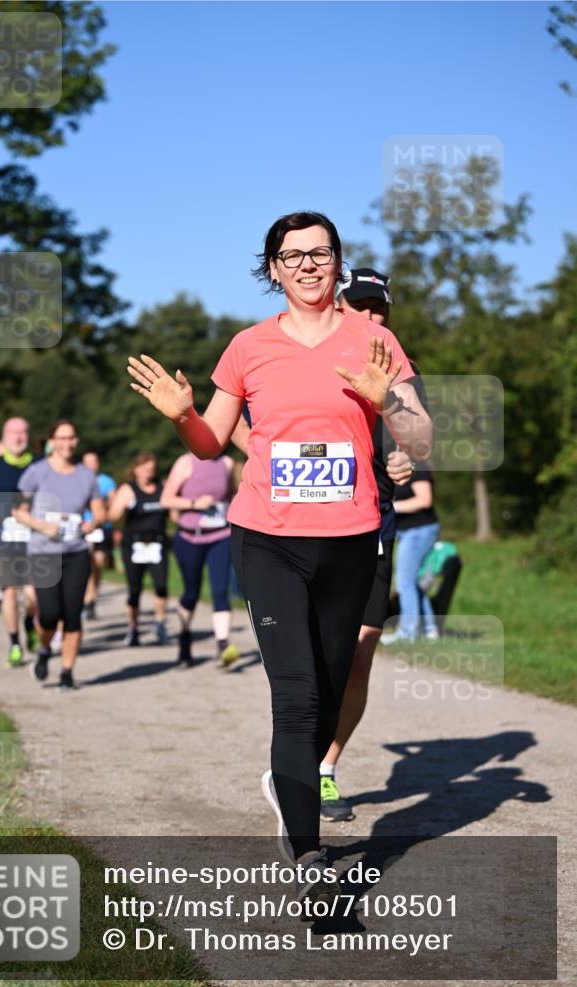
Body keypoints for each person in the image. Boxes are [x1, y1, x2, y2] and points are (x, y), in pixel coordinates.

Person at [127, 211, 432, 903]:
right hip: (266, 538)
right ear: (273, 269)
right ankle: (310, 860)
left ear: (337, 263)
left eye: (320, 253)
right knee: (295, 696)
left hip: (350, 538)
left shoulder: (375, 341)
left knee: (327, 691)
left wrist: (389, 404)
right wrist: (182, 415)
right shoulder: (248, 346)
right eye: (292, 256)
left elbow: (420, 440)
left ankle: (289, 785)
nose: (307, 265)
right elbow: (211, 444)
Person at [318, 269, 422, 821]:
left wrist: (405, 460)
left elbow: (416, 441)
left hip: (374, 527)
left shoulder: (401, 367)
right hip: (309, 529)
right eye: (360, 306)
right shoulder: (309, 356)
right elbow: (249, 423)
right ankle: (295, 754)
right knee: (315, 657)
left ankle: (324, 769)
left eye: (379, 309)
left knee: (359, 656)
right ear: (340, 304)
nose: (371, 317)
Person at [12, 419, 106, 691]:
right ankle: (44, 650)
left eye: (72, 438)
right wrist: (42, 526)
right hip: (43, 553)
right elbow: (18, 511)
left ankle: (67, 671)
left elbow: (100, 511)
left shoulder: (86, 475)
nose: (68, 443)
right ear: (51, 441)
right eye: (62, 438)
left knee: (73, 615)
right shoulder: (36, 472)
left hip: (76, 553)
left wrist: (93, 523)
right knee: (50, 614)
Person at [161, 452, 239, 669]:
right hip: (189, 537)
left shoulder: (227, 463)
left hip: (221, 535)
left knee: (220, 591)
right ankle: (185, 638)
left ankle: (223, 645)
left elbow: (231, 495)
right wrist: (195, 503)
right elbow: (166, 499)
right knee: (191, 593)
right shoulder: (185, 462)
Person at [0, 419, 40, 663]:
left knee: (34, 594)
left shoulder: (39, 463)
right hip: (3, 537)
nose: (18, 437)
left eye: (22, 432)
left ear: (28, 436)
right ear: (5, 436)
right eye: (13, 433)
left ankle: (30, 624)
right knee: (10, 591)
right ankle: (14, 644)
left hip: (34, 536)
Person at [108, 451, 169, 646]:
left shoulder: (163, 486)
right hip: (134, 545)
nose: (148, 473)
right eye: (144, 469)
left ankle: (159, 624)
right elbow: (113, 516)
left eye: (151, 469)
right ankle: (133, 628)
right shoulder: (128, 489)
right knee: (135, 589)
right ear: (135, 469)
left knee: (161, 586)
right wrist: (120, 507)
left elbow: (174, 510)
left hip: (157, 543)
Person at [380, 464, 440, 644]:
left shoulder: (416, 466)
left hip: (419, 531)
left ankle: (408, 632)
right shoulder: (392, 466)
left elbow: (424, 500)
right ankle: (429, 629)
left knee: (404, 582)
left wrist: (390, 506)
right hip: (407, 531)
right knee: (411, 582)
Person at [81, 451, 117, 619]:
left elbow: (114, 501)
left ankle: (92, 598)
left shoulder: (106, 481)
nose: (91, 465)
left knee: (97, 565)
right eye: (87, 462)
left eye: (94, 461)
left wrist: (98, 505)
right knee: (86, 565)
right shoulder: (77, 479)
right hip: (83, 527)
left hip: (102, 527)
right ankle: (86, 599)